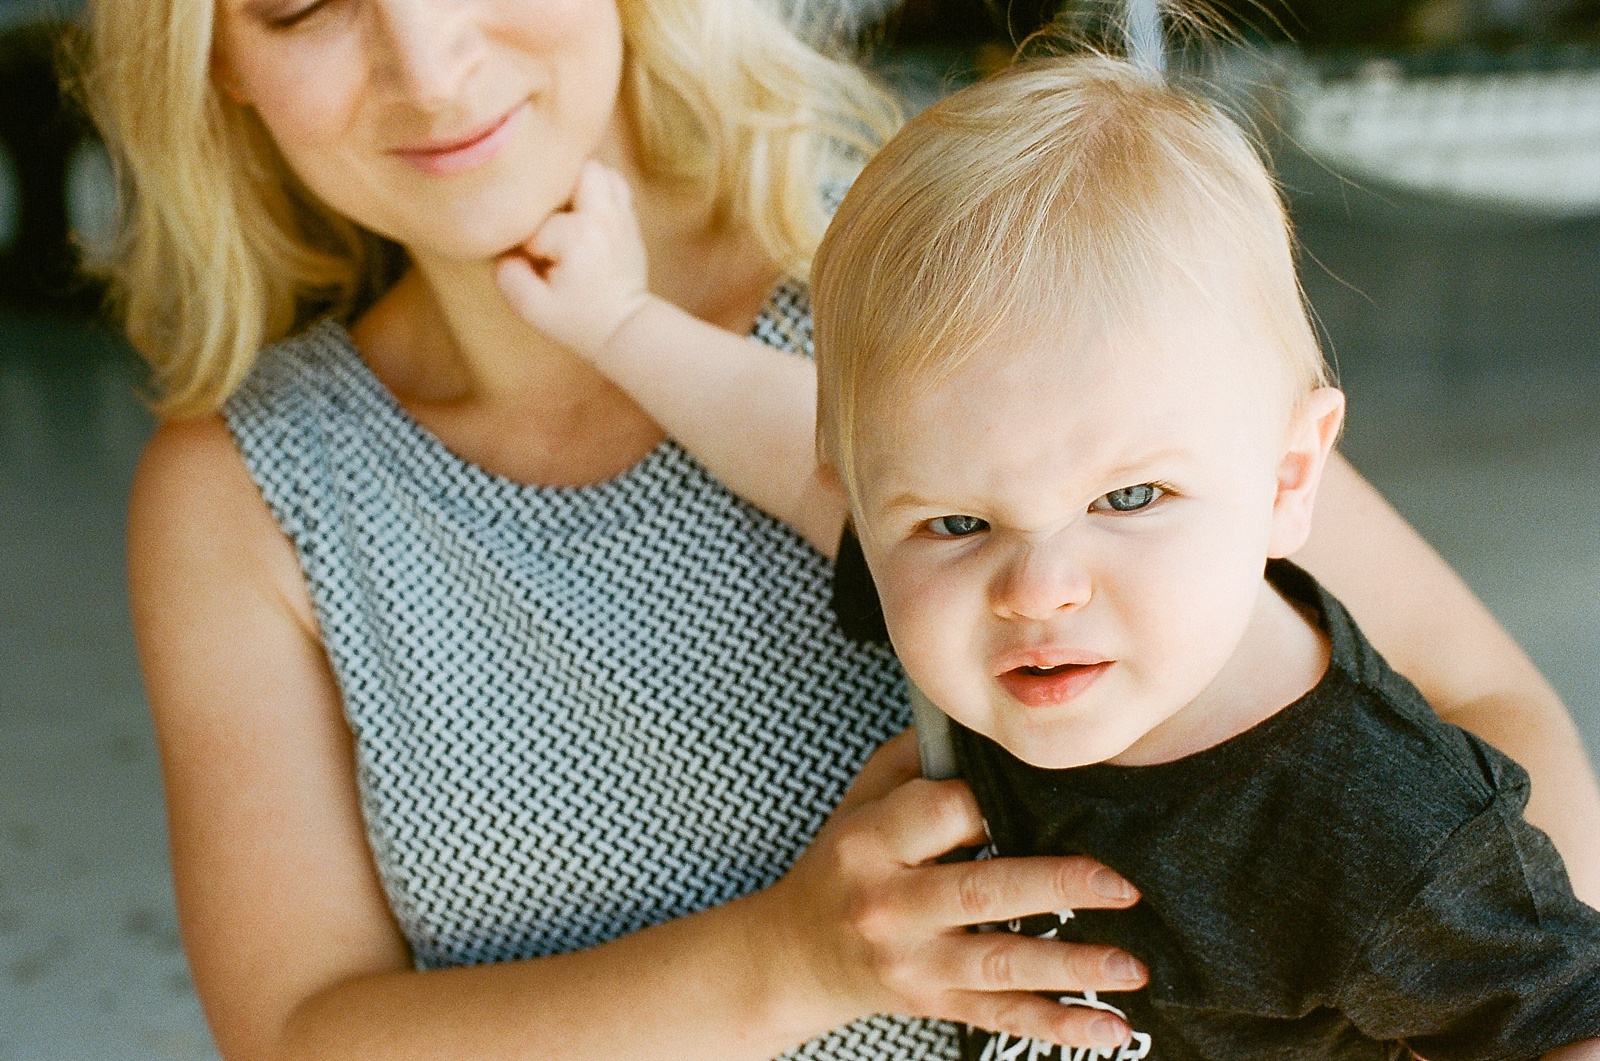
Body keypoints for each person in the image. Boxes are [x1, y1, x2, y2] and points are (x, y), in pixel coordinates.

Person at [83, 0, 1599, 1055]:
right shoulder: (255, 490)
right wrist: (786, 963)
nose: (428, 59)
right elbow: (299, 1032)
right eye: (299, 3)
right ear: (210, 51)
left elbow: (1483, 721)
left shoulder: (946, 276)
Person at [500, 45, 1600, 1060]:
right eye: (957, 523)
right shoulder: (939, 545)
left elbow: (1565, 1019)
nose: (1037, 589)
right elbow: (792, 452)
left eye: (1129, 496)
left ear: (1287, 478)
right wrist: (614, 323)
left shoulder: (1384, 829)